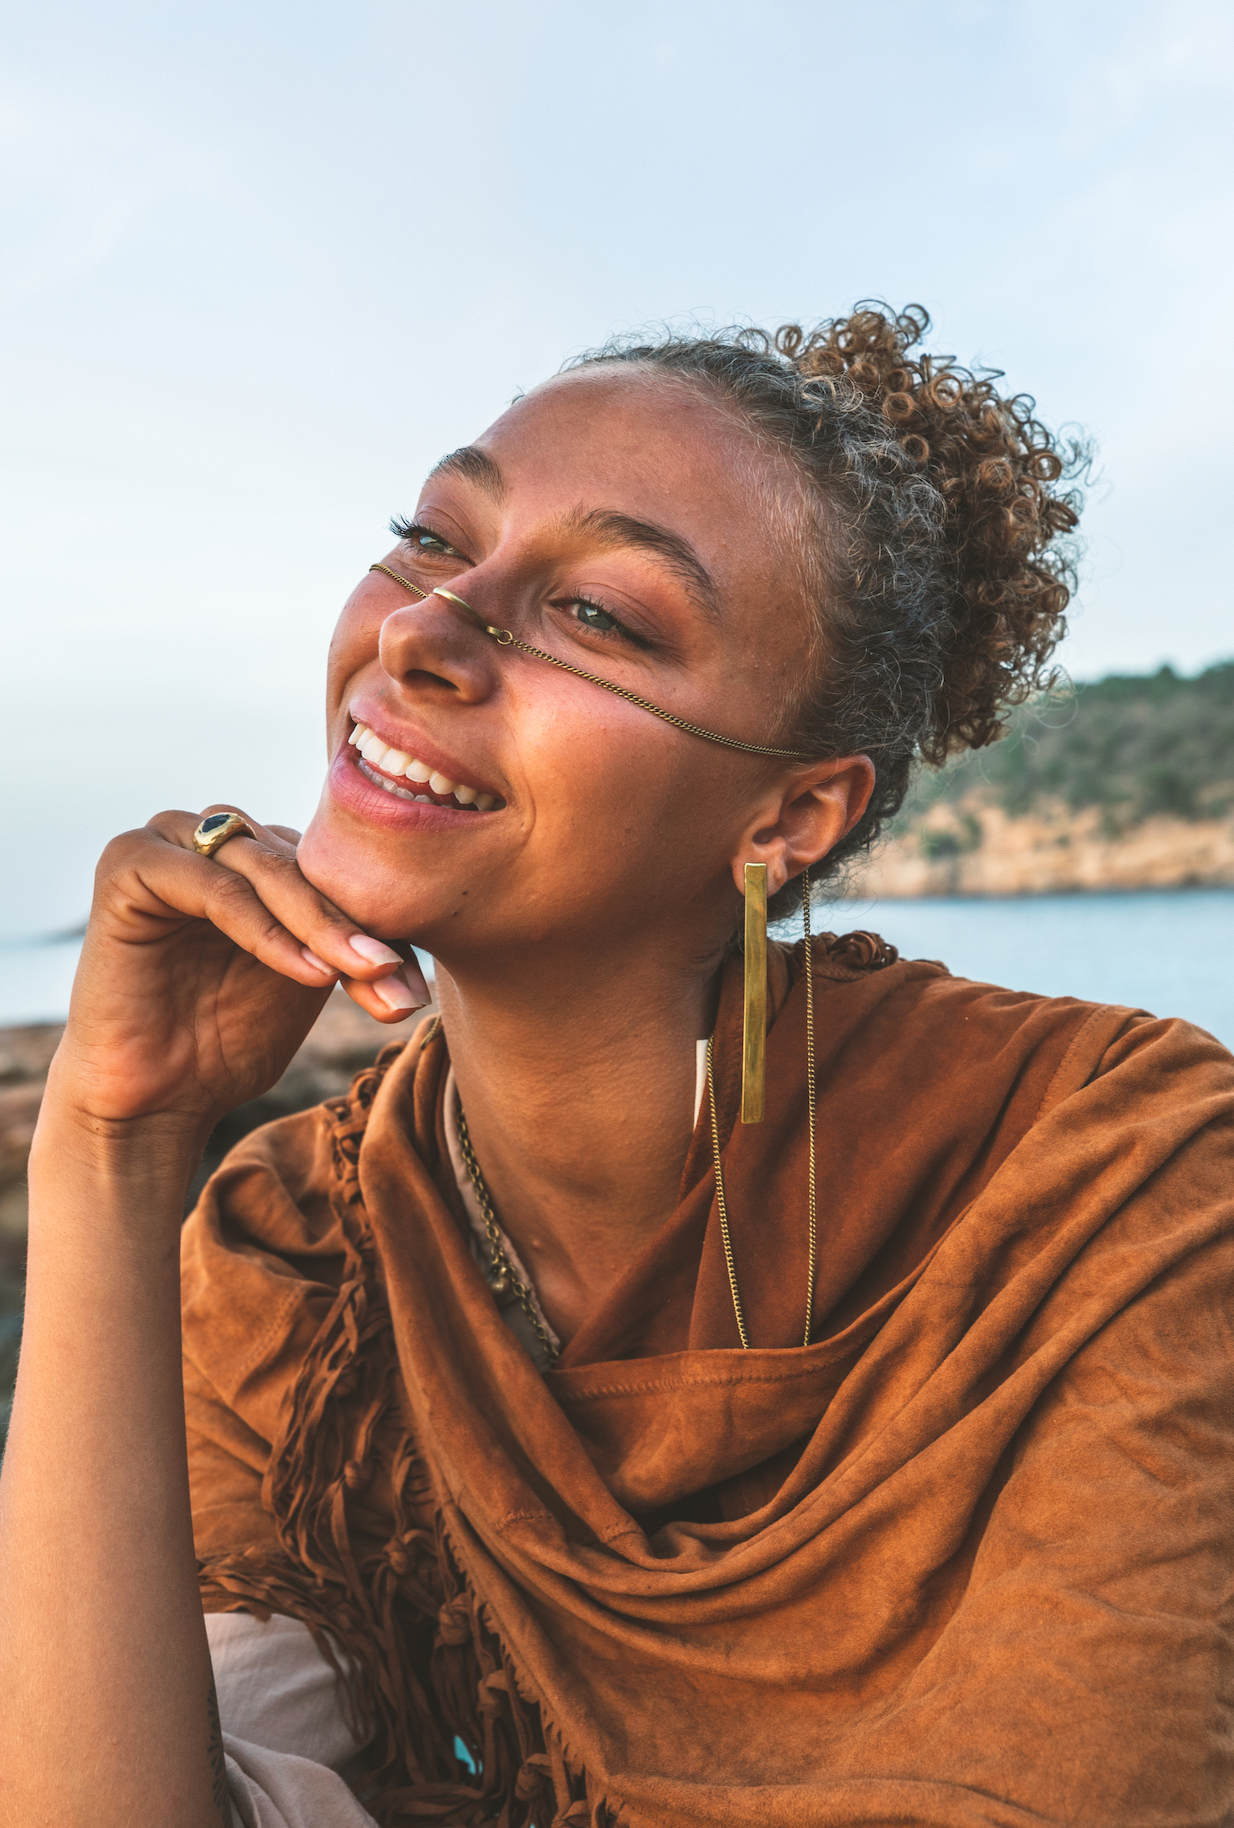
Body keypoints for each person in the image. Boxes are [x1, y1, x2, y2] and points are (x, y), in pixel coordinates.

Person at [3, 305, 1233, 1828]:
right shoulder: (291, 1252)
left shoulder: (1116, 1183)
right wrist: (110, 1149)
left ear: (790, 819)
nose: (420, 630)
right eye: (431, 538)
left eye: (598, 614)